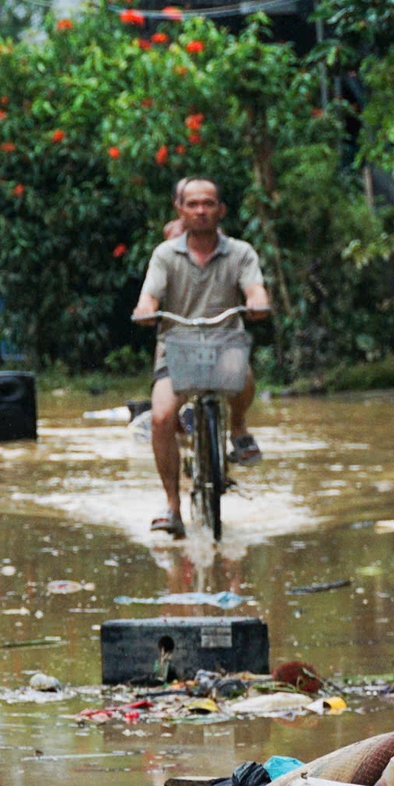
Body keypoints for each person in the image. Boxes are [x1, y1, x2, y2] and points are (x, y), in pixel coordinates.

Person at [131, 177, 271, 539]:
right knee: (162, 417)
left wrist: (257, 302)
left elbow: (255, 289)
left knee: (244, 376)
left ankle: (238, 427)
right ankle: (172, 506)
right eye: (193, 204)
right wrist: (146, 310)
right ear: (181, 210)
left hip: (226, 343)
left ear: (220, 210)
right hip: (175, 347)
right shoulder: (165, 255)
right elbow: (149, 297)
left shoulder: (240, 252)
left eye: (208, 203)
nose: (201, 210)